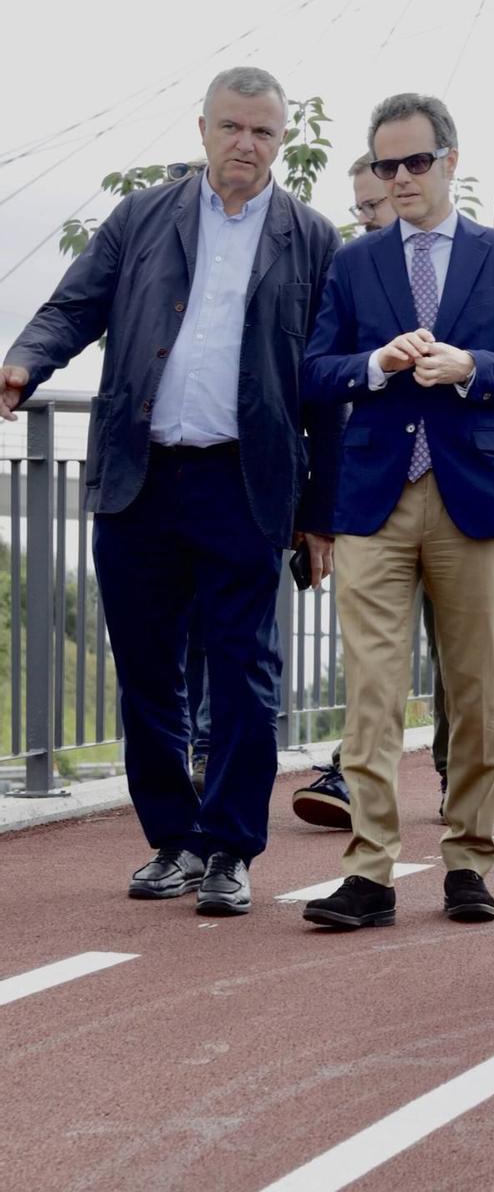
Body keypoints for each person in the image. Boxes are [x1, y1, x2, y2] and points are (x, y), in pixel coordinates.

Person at [0, 67, 341, 914]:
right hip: (139, 476)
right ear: (201, 130)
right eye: (231, 127)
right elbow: (72, 307)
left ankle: (230, 848)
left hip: (246, 482)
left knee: (244, 674)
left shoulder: (311, 237)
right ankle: (173, 841)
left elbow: (327, 391)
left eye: (263, 132)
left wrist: (321, 513)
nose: (245, 145)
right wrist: (23, 365)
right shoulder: (144, 216)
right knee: (147, 670)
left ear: (282, 141)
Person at [298, 92, 494, 930]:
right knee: (371, 692)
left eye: (415, 162)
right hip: (372, 500)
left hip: (474, 498)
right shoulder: (354, 261)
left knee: (473, 688)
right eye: (385, 165)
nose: (400, 178)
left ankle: (467, 859)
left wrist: (470, 366)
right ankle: (370, 872)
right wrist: (374, 365)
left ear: (450, 161)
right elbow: (312, 372)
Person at [290, 152, 397, 832]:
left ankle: (451, 770)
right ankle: (347, 768)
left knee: (453, 661)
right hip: (365, 487)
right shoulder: (348, 274)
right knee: (369, 645)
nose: (366, 218)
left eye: (375, 205)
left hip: (456, 494)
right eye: (359, 207)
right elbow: (319, 387)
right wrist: (318, 514)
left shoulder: (467, 267)